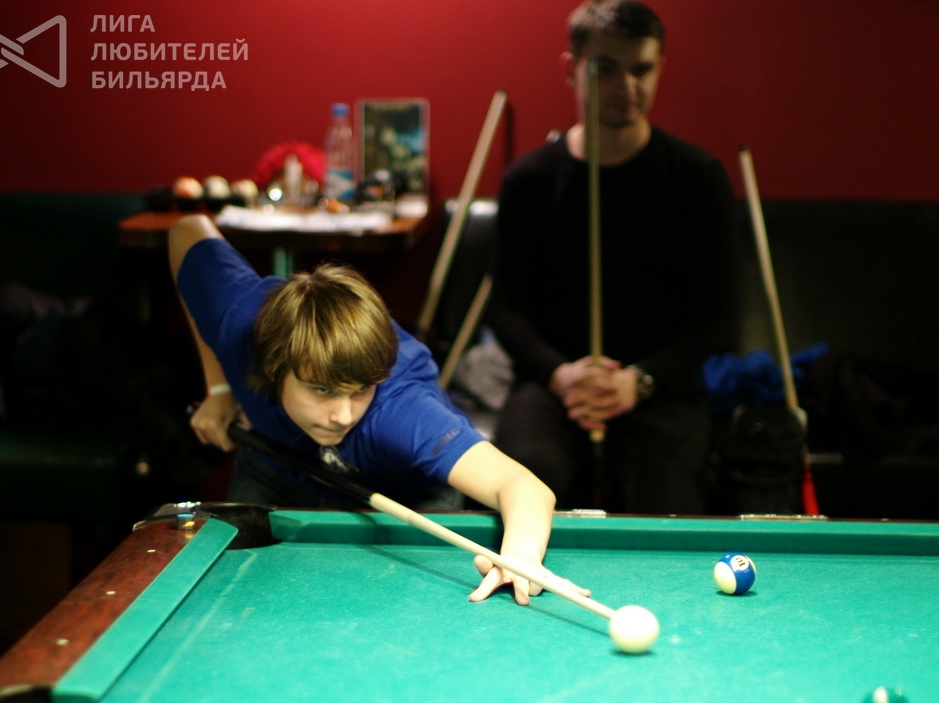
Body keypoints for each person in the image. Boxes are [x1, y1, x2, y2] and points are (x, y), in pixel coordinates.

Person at [170, 214, 584, 605]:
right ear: (275, 369)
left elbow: (522, 486)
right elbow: (186, 230)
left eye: (360, 391)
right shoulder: (240, 319)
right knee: (237, 597)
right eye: (321, 390)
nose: (344, 415)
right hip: (277, 467)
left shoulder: (401, 410)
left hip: (405, 496)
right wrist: (220, 388)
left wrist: (521, 557)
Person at [487, 0, 739, 514]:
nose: (627, 85)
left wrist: (639, 381)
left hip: (660, 390)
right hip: (554, 388)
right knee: (522, 485)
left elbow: (721, 318)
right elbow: (505, 309)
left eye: (641, 69)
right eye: (605, 68)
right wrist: (560, 374)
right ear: (571, 68)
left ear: (660, 67)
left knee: (665, 500)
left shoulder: (698, 178)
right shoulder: (530, 182)